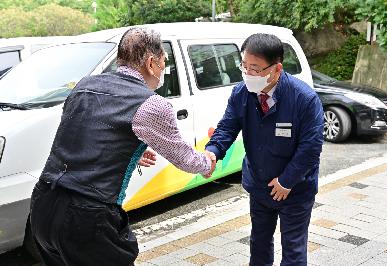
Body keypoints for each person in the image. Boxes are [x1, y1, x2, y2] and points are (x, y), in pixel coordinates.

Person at [30, 27, 216, 266]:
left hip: (43, 204)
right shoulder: (151, 104)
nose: (164, 69)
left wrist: (124, 154)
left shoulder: (84, 85)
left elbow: (78, 134)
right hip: (87, 217)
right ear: (151, 62)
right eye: (163, 62)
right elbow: (185, 158)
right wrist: (207, 162)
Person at [205, 33, 324, 265]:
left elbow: (311, 147)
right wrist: (213, 152)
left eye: (256, 69)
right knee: (258, 243)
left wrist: (286, 181)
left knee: (293, 251)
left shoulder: (304, 99)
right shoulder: (242, 93)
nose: (249, 74)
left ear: (276, 69)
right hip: (260, 185)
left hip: (295, 190)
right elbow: (227, 127)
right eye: (245, 67)